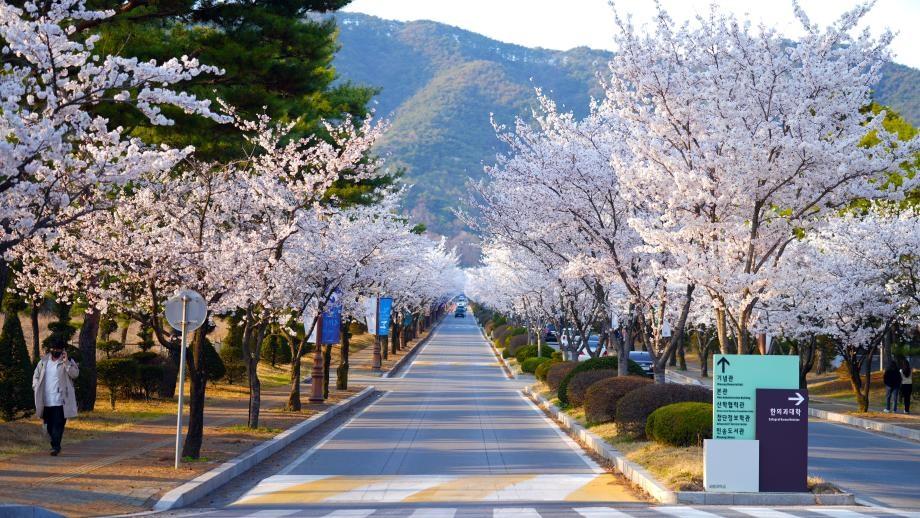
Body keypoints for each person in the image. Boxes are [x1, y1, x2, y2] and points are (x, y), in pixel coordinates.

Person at [32, 344, 80, 455]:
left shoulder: (68, 361)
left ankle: (56, 447)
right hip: (46, 399)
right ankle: (54, 444)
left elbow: (75, 374)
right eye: (54, 348)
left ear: (63, 350)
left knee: (58, 423)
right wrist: (36, 386)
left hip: (61, 400)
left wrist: (66, 362)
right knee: (49, 426)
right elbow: (36, 375)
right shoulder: (43, 362)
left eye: (59, 349)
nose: (56, 351)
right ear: (50, 349)